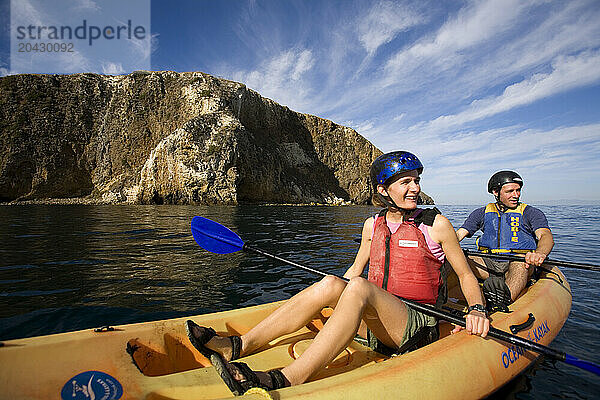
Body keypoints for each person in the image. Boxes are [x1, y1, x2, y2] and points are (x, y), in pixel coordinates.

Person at [186, 151, 489, 395]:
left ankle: (289, 378)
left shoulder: (436, 225)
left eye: (416, 180)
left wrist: (477, 309)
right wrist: (334, 296)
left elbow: (464, 276)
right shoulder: (373, 225)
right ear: (384, 190)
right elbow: (354, 270)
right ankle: (238, 345)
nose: (415, 188)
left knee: (357, 288)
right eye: (405, 182)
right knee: (334, 282)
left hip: (416, 326)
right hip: (377, 323)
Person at [456, 171, 554, 311]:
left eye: (518, 190)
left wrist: (540, 253)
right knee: (458, 257)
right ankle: (441, 293)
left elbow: (545, 235)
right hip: (488, 263)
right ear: (496, 192)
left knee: (521, 261)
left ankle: (502, 301)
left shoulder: (531, 213)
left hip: (517, 264)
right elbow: (459, 235)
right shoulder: (481, 213)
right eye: (510, 191)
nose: (516, 195)